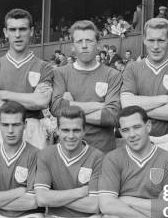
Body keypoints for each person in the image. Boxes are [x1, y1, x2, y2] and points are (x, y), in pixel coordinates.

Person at [0, 9, 53, 151]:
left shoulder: (44, 67)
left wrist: (4, 94)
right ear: (5, 32)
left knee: (34, 173)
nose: (18, 35)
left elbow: (41, 101)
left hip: (32, 128)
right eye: (12, 29)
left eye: (22, 29)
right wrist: (31, 98)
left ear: (31, 31)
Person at [121, 18, 168, 159]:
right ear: (144, 40)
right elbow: (126, 104)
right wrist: (165, 99)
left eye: (161, 40)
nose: (156, 46)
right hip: (141, 142)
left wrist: (139, 108)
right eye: (151, 40)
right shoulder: (133, 68)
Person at [51, 20, 122, 153]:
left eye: (89, 41)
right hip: (68, 153)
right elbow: (55, 107)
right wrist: (99, 106)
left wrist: (70, 108)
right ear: (72, 46)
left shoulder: (113, 75)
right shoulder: (60, 73)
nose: (84, 46)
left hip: (103, 151)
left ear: (98, 45)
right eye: (79, 41)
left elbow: (112, 116)